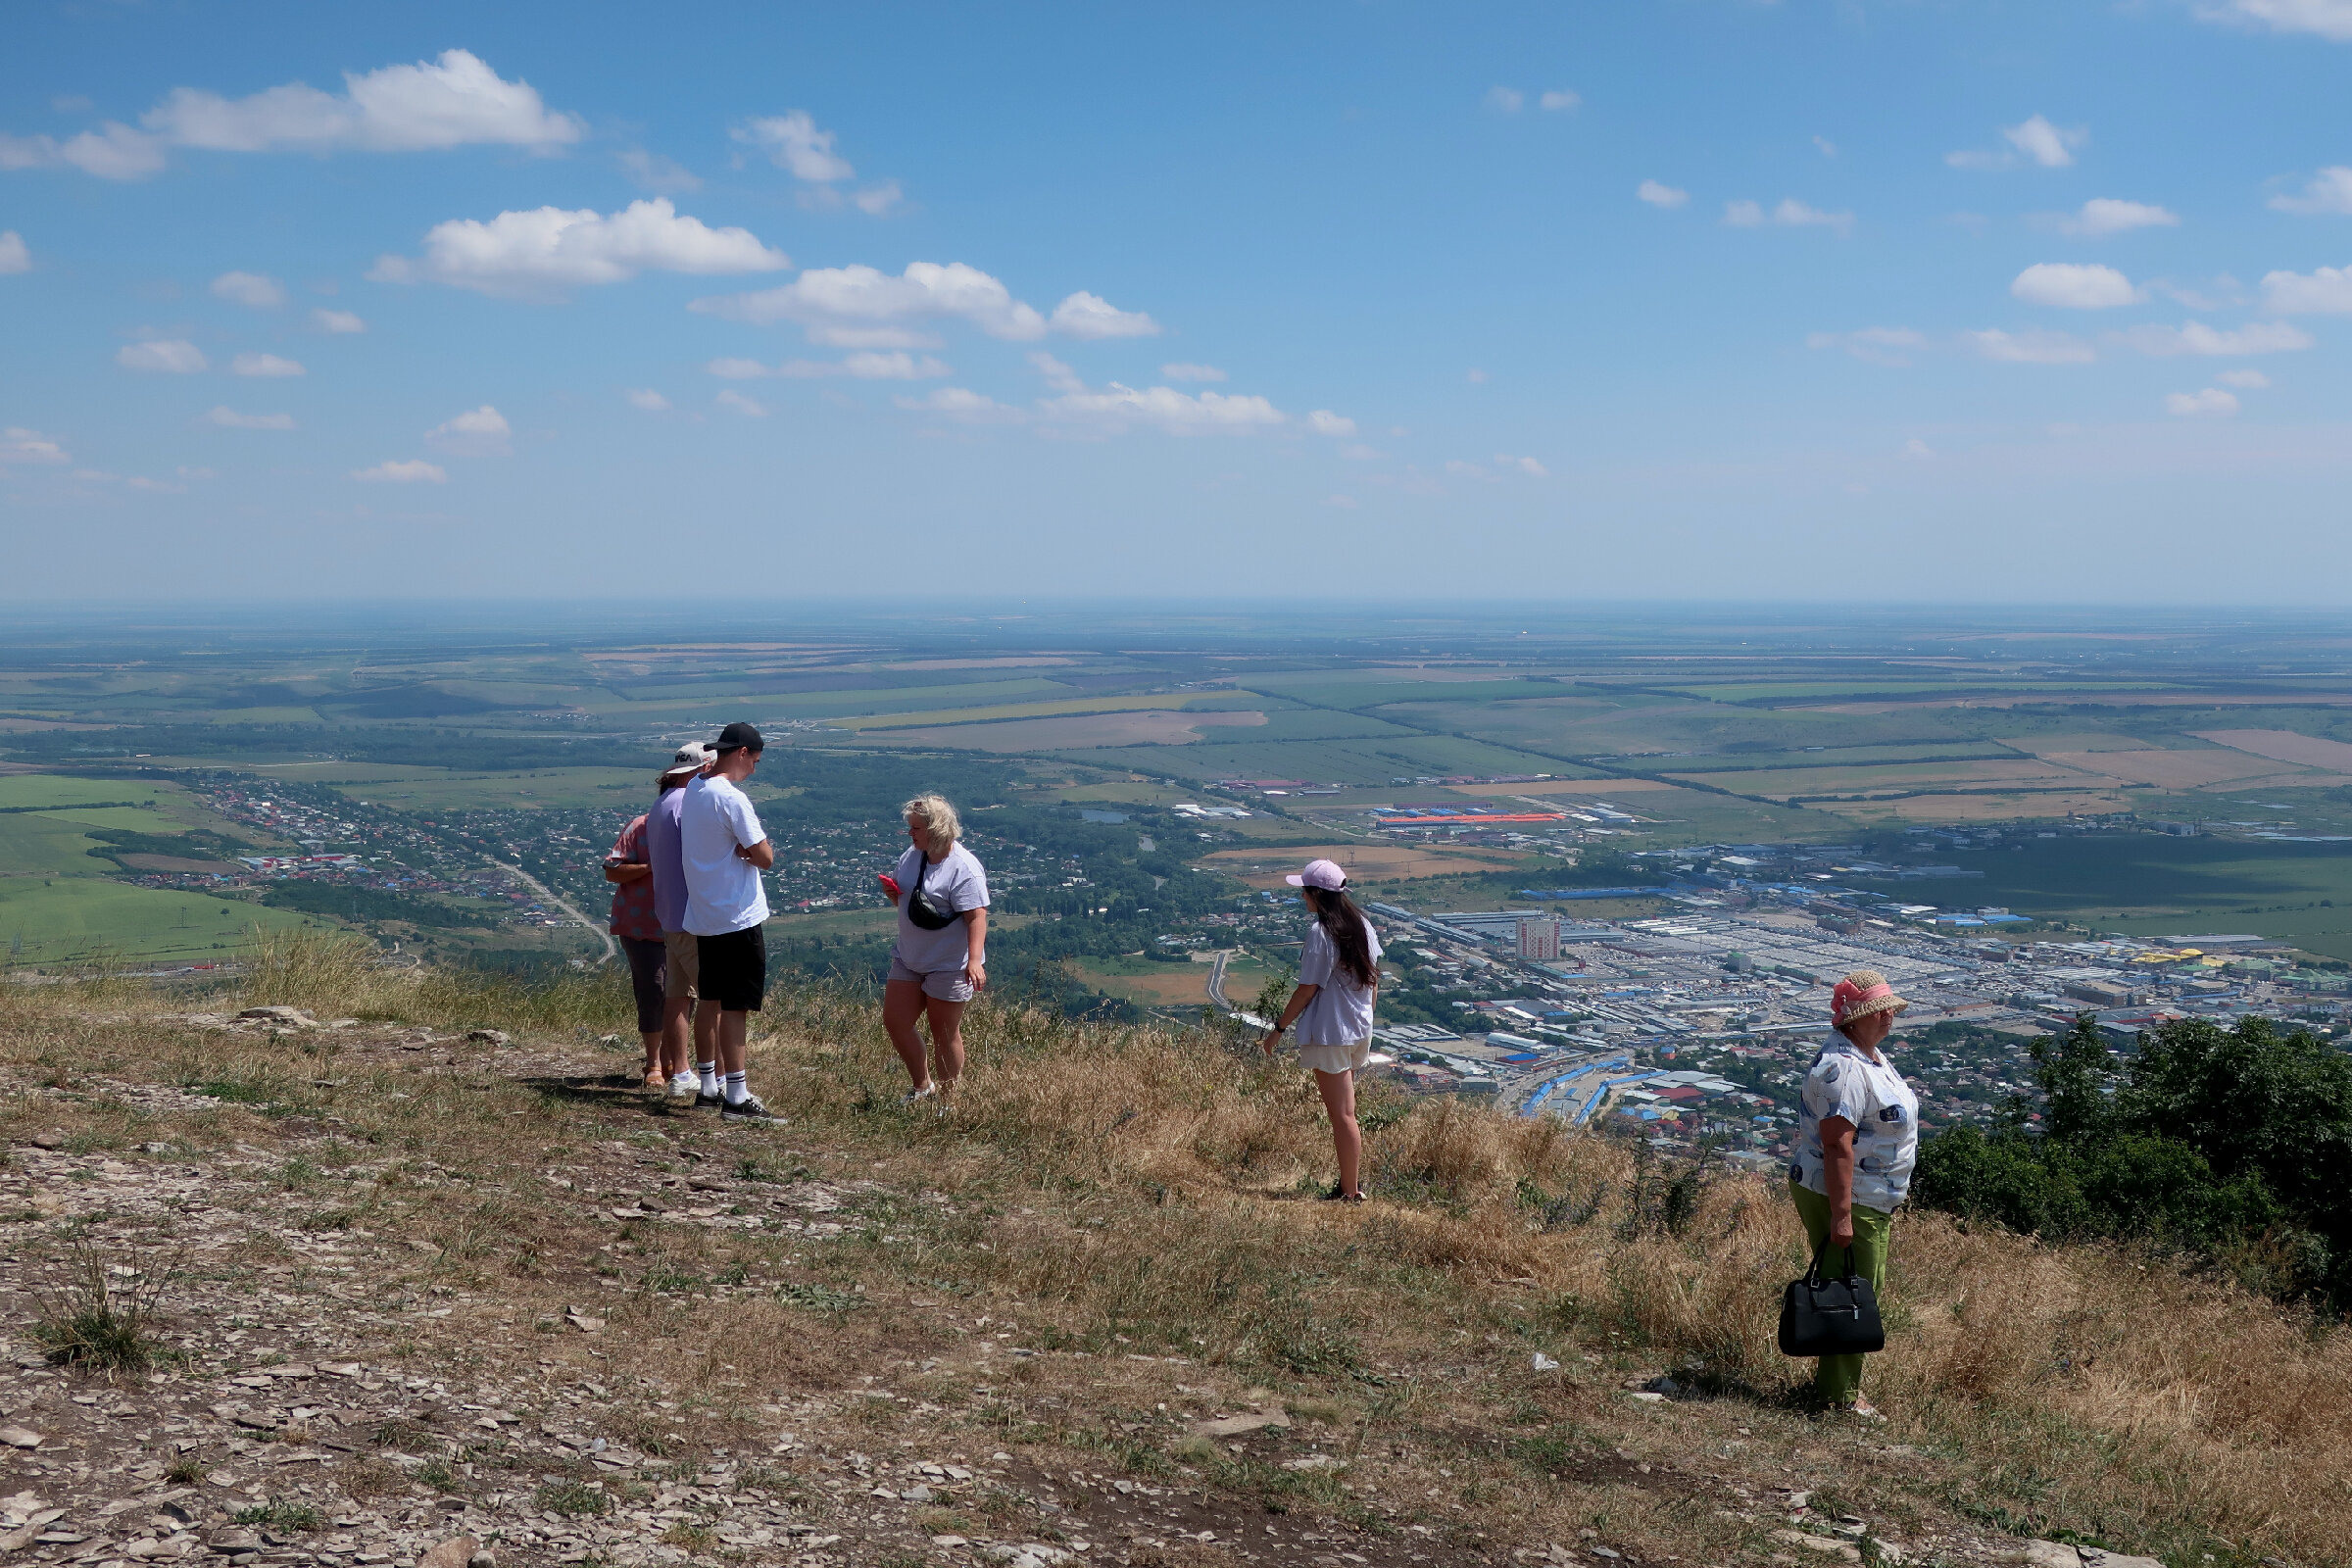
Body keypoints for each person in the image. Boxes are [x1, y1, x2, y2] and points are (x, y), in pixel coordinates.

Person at [1788, 968, 1920, 1419]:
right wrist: (1841, 1216)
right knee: (1853, 1293)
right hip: (1851, 1196)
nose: (1887, 1016)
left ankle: (1836, 1388)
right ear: (1853, 1018)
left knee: (1854, 1286)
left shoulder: (1868, 1055)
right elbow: (1837, 1146)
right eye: (1877, 1011)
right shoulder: (1843, 1068)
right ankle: (1839, 1397)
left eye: (1889, 1009)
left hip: (1867, 1194)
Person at [1257, 859, 1384, 1201]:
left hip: (1331, 1033)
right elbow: (1373, 980)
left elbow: (1307, 989)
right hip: (1358, 1029)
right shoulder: (1363, 925)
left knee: (1343, 1116)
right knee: (1347, 1112)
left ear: (1316, 893)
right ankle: (1349, 1185)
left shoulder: (1320, 933)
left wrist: (1278, 1029)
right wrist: (1367, 1017)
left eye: (1304, 890)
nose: (1302, 896)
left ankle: (1350, 1192)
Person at [678, 721, 779, 1121]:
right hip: (737, 915)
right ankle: (737, 1095)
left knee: (710, 999)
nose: (754, 769)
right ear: (741, 754)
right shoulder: (732, 799)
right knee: (736, 1006)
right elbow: (765, 857)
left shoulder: (694, 789)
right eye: (754, 761)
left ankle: (708, 1088)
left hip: (704, 913)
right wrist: (746, 850)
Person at [882, 793, 989, 1109]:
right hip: (909, 957)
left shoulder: (963, 868)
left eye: (916, 828)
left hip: (949, 963)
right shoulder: (912, 856)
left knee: (944, 1033)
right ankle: (922, 1086)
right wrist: (893, 894)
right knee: (896, 1021)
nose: (910, 833)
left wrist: (974, 961)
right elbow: (910, 901)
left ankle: (949, 1101)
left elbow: (976, 916)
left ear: (935, 829)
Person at [645, 742, 713, 1109]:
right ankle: (716, 1078)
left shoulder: (662, 804)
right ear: (703, 769)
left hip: (669, 913)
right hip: (692, 915)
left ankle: (681, 1072)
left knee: (677, 995)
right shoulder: (687, 805)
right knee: (714, 998)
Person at [601, 792, 669, 1096]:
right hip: (641, 925)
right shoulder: (640, 827)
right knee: (653, 990)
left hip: (685, 924)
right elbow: (612, 871)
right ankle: (654, 1063)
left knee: (682, 994)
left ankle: (673, 1060)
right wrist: (650, 867)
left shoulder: (697, 827)